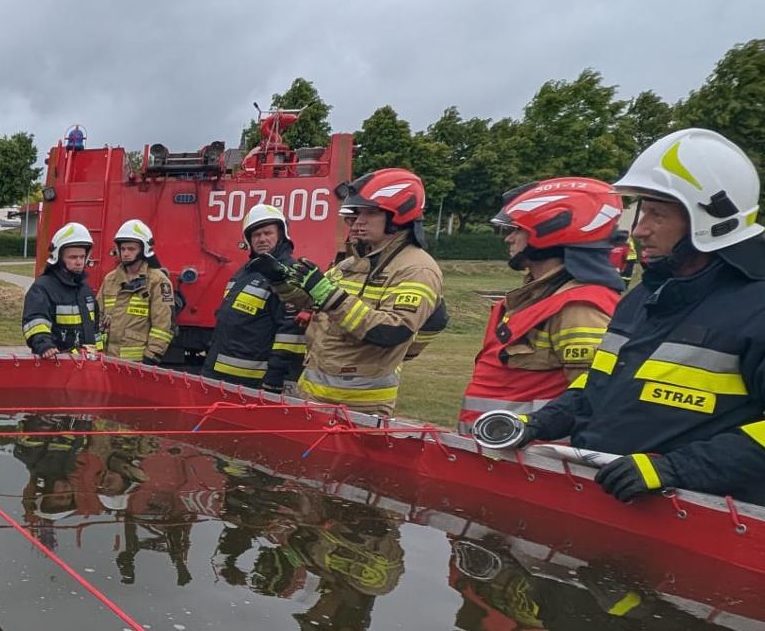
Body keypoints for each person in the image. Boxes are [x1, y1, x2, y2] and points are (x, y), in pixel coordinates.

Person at [493, 129, 765, 503]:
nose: (639, 230)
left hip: (701, 523)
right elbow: (596, 388)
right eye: (641, 211)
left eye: (657, 214)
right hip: (609, 504)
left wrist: (674, 469)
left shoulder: (756, 307)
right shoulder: (643, 298)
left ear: (710, 219)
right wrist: (537, 423)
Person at [266, 168, 444, 416]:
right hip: (314, 393)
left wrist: (328, 294)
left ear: (399, 215)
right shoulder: (352, 264)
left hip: (360, 405)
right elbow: (312, 302)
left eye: (370, 213)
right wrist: (279, 281)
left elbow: (391, 330)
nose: (358, 221)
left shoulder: (417, 268)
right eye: (356, 213)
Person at [455, 177, 623, 433]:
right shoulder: (540, 297)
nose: (508, 239)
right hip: (500, 454)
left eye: (516, 230)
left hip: (533, 457)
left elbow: (590, 399)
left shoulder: (579, 308)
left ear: (550, 229)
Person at [205, 205, 306, 391]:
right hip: (220, 374)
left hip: (252, 382)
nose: (262, 239)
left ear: (281, 235)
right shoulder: (245, 272)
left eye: (268, 233)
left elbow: (290, 333)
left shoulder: (288, 274)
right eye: (256, 235)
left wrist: (274, 379)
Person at [98, 219, 176, 363]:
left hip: (138, 364)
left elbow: (163, 325)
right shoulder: (110, 280)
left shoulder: (158, 281)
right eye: (123, 249)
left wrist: (152, 356)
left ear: (144, 250)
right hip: (107, 359)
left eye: (131, 249)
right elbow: (98, 316)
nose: (126, 253)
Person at [23, 222, 101, 358]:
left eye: (82, 257)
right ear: (58, 258)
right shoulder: (42, 288)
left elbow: (95, 330)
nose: (79, 262)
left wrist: (99, 353)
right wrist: (45, 345)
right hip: (56, 364)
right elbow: (35, 321)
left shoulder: (85, 290)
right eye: (73, 257)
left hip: (86, 364)